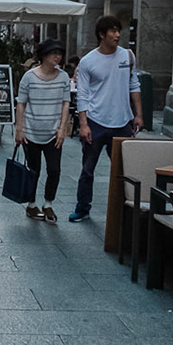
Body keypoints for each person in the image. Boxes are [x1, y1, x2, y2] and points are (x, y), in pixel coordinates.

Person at [68, 16, 142, 224]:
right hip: (96, 122)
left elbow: (134, 85)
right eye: (113, 31)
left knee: (126, 169)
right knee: (87, 169)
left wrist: (139, 114)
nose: (117, 35)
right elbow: (82, 94)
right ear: (102, 34)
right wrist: (83, 125)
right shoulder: (88, 61)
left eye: (119, 30)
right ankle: (82, 207)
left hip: (123, 122)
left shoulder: (127, 56)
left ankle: (126, 208)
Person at [14, 39, 73, 223]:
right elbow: (21, 104)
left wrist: (62, 128)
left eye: (59, 53)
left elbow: (66, 104)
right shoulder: (29, 77)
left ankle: (48, 203)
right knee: (34, 170)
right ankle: (31, 205)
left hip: (53, 133)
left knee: (54, 170)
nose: (57, 57)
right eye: (53, 53)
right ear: (43, 56)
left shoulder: (63, 77)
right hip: (31, 131)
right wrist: (19, 129)